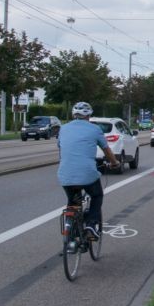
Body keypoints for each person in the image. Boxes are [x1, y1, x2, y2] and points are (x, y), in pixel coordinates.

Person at [57, 101, 119, 240]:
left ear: (74, 115)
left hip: (65, 174)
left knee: (73, 202)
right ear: (89, 115)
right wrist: (114, 162)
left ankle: (71, 234)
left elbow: (61, 148)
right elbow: (106, 150)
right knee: (97, 196)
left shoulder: (64, 128)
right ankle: (91, 225)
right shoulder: (95, 129)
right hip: (87, 173)